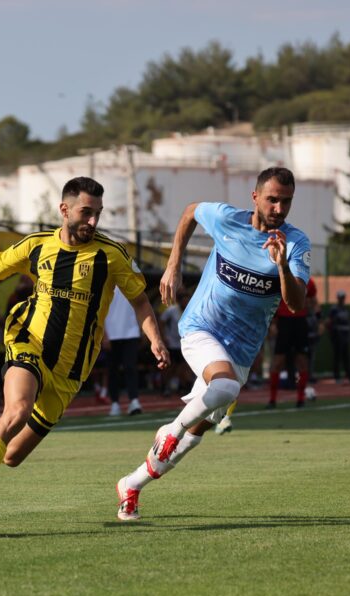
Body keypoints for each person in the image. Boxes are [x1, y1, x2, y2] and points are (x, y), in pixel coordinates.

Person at [0, 176, 170, 527]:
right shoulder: (36, 245)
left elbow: (140, 301)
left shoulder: (111, 255)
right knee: (17, 410)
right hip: (28, 342)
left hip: (71, 368)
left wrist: (154, 338)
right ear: (64, 209)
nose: (93, 221)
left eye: (98, 213)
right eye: (86, 212)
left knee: (12, 456)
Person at [114, 167, 311, 521]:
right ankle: (170, 430)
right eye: (272, 199)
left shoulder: (296, 243)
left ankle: (131, 484)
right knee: (223, 390)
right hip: (201, 328)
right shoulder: (226, 218)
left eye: (286, 201)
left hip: (241, 351)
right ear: (255, 197)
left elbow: (295, 304)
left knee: (195, 435)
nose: (279, 208)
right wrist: (173, 264)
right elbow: (191, 211)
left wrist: (281, 265)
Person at [268, 277, 318, 409]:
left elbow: (313, 300)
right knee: (277, 362)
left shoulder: (308, 281)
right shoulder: (279, 278)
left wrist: (318, 319)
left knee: (302, 362)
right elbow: (272, 300)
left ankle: (300, 400)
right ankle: (272, 400)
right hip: (284, 322)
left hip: (300, 322)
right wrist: (273, 323)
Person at [104, 288, 144, 417]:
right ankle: (114, 403)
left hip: (131, 332)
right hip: (111, 334)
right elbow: (99, 309)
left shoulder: (133, 279)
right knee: (112, 371)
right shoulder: (105, 282)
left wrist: (142, 329)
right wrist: (104, 335)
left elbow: (141, 304)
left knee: (130, 367)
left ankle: (134, 401)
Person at [325, 290, 350, 384]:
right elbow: (328, 322)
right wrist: (332, 334)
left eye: (343, 298)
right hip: (337, 337)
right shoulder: (334, 309)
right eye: (341, 298)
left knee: (346, 357)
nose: (342, 299)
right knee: (337, 357)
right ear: (338, 298)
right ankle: (337, 377)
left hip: (345, 337)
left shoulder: (345, 309)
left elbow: (348, 323)